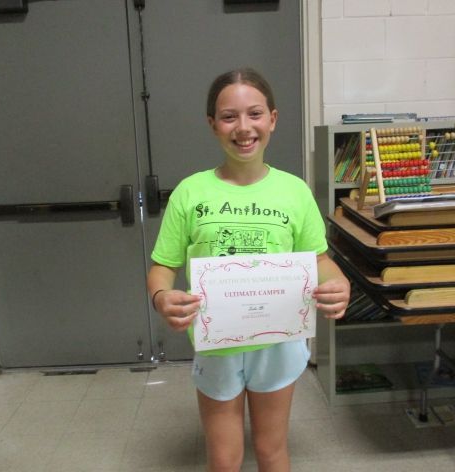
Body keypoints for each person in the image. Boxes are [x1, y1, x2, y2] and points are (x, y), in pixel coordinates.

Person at [147, 67, 350, 472]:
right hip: (217, 345)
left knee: (271, 450)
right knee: (224, 460)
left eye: (255, 114)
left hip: (277, 343)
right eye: (229, 117)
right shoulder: (190, 192)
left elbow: (318, 259)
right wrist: (161, 296)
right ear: (212, 124)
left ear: (272, 119)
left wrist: (338, 282)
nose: (243, 127)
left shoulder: (294, 191)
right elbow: (163, 266)